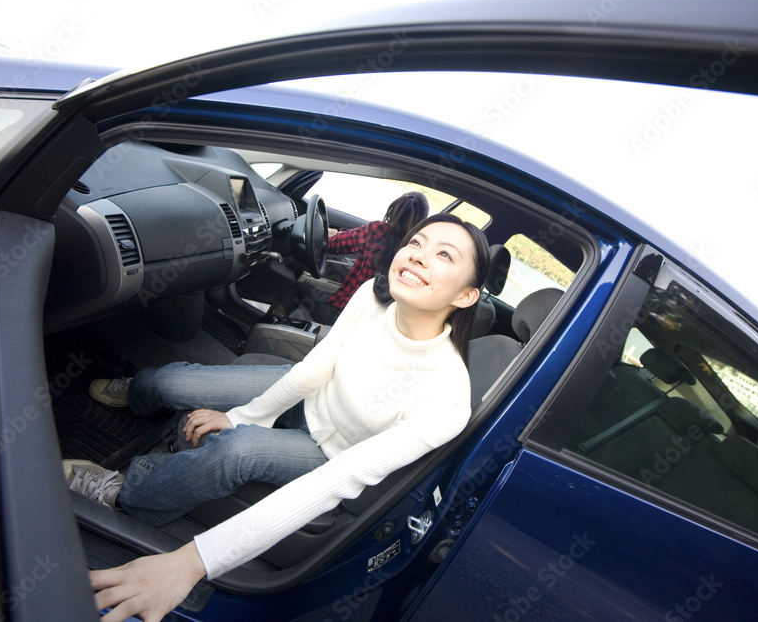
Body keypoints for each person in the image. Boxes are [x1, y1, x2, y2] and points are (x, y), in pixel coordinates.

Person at [66, 213, 491, 622]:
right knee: (171, 384)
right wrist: (244, 414)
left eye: (444, 255)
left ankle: (126, 493)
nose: (417, 255)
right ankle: (140, 394)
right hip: (307, 394)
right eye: (416, 243)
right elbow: (314, 369)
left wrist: (190, 563)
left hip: (327, 451)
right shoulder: (372, 295)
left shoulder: (445, 401)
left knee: (236, 450)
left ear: (465, 295)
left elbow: (334, 481)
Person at [291, 190, 429, 323]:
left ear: (395, 210)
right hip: (366, 323)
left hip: (340, 314)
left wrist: (328, 234)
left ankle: (275, 321)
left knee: (294, 287)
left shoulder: (377, 231)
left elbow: (331, 245)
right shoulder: (415, 252)